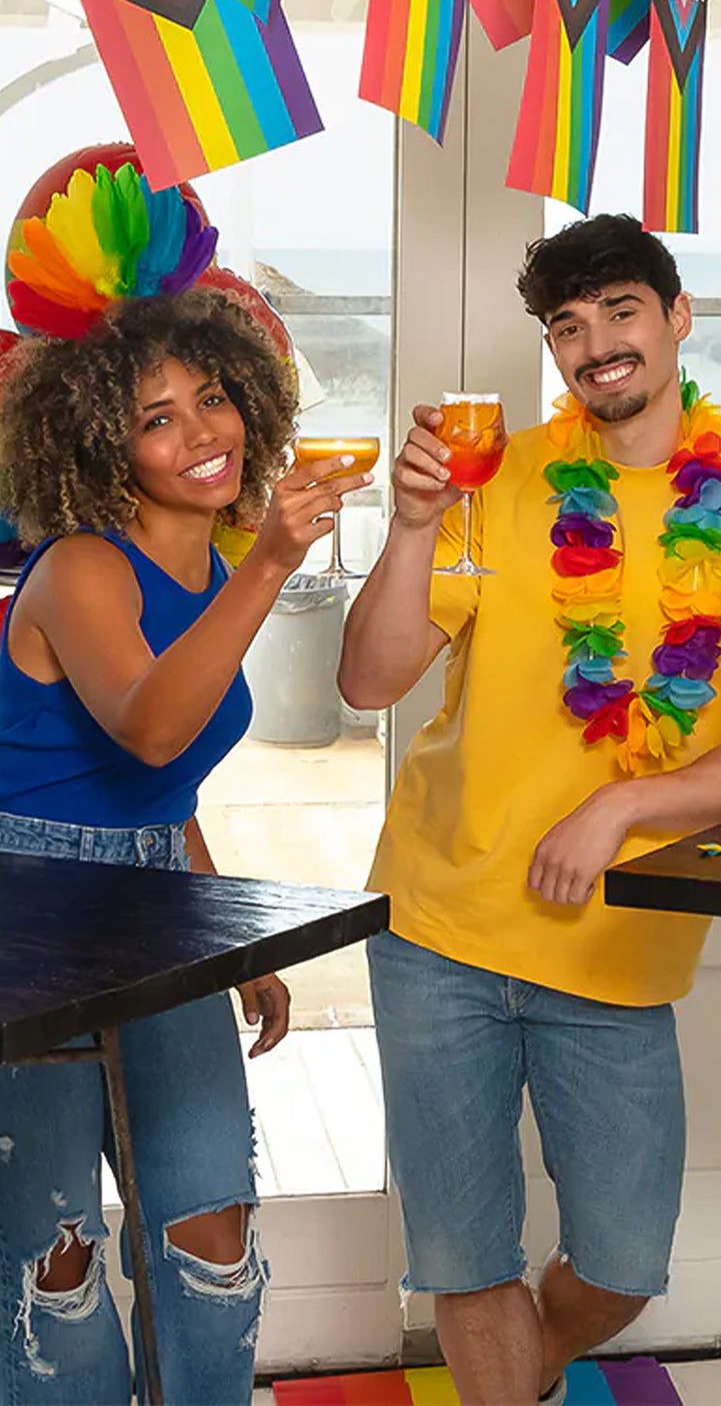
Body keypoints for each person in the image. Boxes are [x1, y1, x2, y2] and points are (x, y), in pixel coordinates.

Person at [340, 214, 721, 1405]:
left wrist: (630, 808)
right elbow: (369, 680)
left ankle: (517, 1376)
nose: (595, 343)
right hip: (441, 920)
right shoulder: (493, 480)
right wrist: (412, 524)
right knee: (466, 1260)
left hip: (619, 946)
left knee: (619, 1265)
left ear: (678, 318)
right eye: (567, 325)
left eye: (620, 311)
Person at [0, 288, 371, 1404]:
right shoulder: (82, 568)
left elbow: (162, 787)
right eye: (156, 416)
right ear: (100, 439)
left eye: (212, 397)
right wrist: (270, 564)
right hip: (32, 913)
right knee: (53, 1255)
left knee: (210, 1225)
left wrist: (231, 935)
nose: (201, 429)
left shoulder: (210, 567)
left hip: (157, 901)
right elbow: (150, 723)